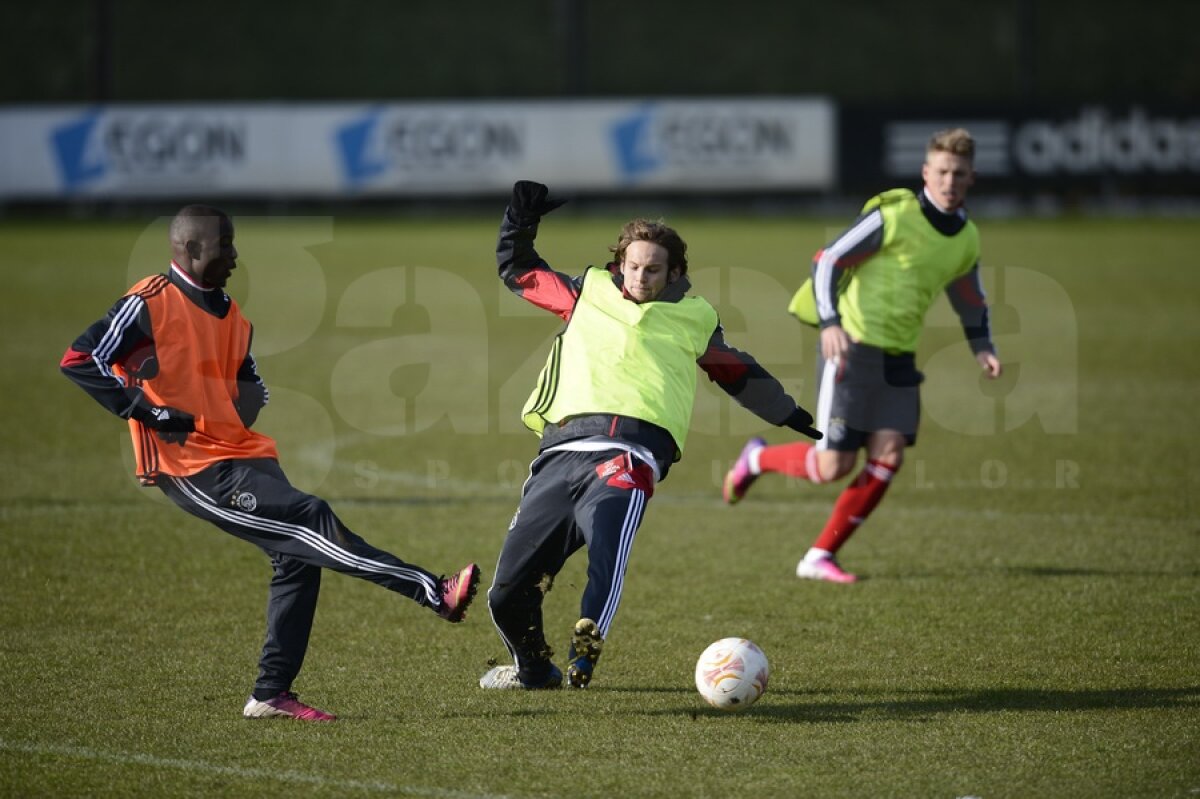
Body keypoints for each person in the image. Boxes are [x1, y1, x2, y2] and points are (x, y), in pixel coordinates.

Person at [60, 204, 480, 722]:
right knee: (311, 516)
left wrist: (250, 395)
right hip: (192, 465)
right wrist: (148, 409)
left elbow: (246, 378)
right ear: (190, 250)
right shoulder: (151, 299)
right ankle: (432, 591)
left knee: (297, 561)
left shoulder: (233, 314)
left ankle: (271, 694)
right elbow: (83, 358)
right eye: (225, 245)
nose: (235, 256)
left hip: (245, 451)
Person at [479, 181, 822, 691]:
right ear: (619, 264)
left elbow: (736, 372)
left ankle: (586, 643)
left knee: (606, 553)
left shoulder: (695, 317)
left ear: (675, 272)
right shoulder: (584, 292)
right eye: (633, 266)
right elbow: (518, 270)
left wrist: (786, 412)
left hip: (630, 456)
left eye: (654, 268)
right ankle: (534, 670)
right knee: (505, 595)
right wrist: (519, 221)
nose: (640, 276)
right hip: (560, 454)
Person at [722, 127, 1003, 583]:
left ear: (972, 178)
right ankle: (756, 460)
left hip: (900, 358)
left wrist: (982, 346)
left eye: (960, 173)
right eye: (943, 171)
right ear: (926, 172)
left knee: (889, 455)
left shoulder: (966, 237)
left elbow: (970, 296)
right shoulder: (894, 217)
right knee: (832, 466)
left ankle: (819, 556)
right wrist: (831, 323)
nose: (950, 181)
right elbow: (828, 260)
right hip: (851, 348)